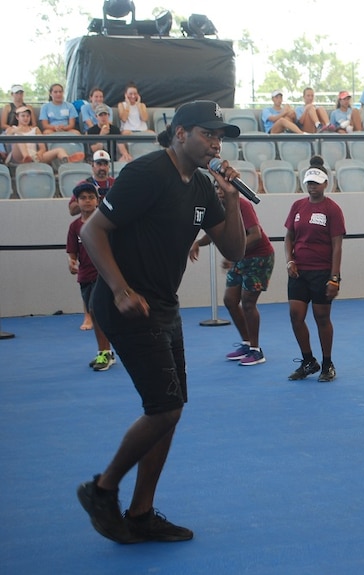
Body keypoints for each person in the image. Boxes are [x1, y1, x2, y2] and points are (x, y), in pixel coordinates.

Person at [76, 100, 246, 544]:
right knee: (165, 407)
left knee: (170, 411)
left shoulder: (205, 188)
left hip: (163, 305)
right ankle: (102, 490)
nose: (215, 142)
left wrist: (230, 199)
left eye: (219, 136)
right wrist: (118, 289)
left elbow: (236, 251)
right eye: (208, 134)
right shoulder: (147, 174)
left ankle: (141, 513)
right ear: (180, 133)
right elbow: (92, 231)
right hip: (127, 305)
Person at [190, 194, 275, 366]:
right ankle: (246, 343)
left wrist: (233, 252)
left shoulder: (242, 205)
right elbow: (214, 232)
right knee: (230, 300)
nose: (219, 192)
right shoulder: (215, 207)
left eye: (222, 188)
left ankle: (256, 351)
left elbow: (255, 235)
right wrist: (198, 243)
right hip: (239, 257)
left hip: (259, 257)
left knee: (248, 303)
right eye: (216, 188)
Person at [284, 156, 345, 382]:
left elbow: (337, 245)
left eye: (316, 183)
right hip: (299, 272)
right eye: (309, 182)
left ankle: (327, 363)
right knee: (295, 315)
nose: (312, 186)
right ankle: (308, 360)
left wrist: (335, 277)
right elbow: (289, 237)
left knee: (322, 318)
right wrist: (289, 261)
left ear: (325, 184)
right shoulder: (297, 206)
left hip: (322, 272)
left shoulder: (332, 209)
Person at [66, 181, 115, 369]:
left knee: (97, 310)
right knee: (95, 316)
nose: (87, 201)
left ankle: (105, 353)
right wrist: (71, 263)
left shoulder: (105, 224)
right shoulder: (74, 227)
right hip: (85, 276)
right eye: (83, 198)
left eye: (91, 197)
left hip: (103, 275)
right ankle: (105, 352)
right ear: (77, 202)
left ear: (98, 200)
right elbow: (72, 253)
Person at [5, 105, 70, 166]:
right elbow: (6, 142)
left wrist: (40, 152)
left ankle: (68, 160)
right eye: (23, 116)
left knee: (59, 150)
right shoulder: (12, 129)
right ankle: (26, 157)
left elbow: (42, 148)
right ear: (17, 117)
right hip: (18, 156)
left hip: (34, 156)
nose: (26, 118)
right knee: (20, 137)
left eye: (28, 116)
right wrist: (16, 131)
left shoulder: (35, 129)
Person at [68, 150, 116, 216]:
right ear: (92, 165)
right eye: (99, 164)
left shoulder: (116, 183)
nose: (102, 168)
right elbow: (72, 210)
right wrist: (90, 200)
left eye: (105, 164)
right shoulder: (84, 184)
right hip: (91, 221)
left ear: (109, 166)